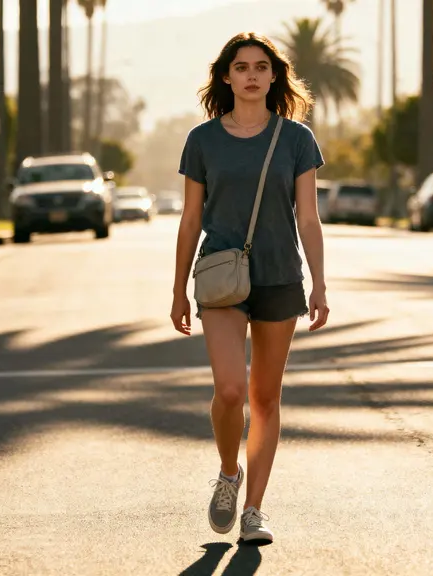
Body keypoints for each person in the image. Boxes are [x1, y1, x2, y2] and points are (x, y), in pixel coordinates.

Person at [170, 31, 330, 545]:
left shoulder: (297, 139)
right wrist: (177, 290)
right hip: (220, 276)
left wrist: (320, 283)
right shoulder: (202, 140)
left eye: (262, 67)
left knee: (264, 398)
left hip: (281, 275)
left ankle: (254, 509)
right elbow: (191, 218)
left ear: (274, 76)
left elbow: (308, 216)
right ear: (225, 77)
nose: (253, 75)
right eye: (242, 67)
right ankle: (228, 473)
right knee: (230, 390)